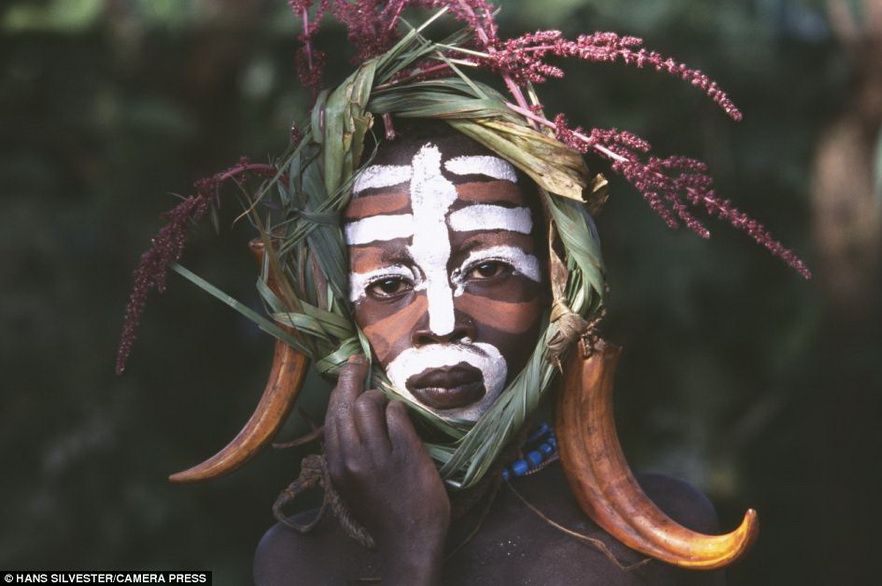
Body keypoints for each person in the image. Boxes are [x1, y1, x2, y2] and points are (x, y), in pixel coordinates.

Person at [252, 123, 726, 585]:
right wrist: (409, 547)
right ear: (336, 314)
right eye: (390, 285)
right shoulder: (297, 562)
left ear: (556, 288)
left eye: (490, 269)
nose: (441, 323)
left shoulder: (663, 532)